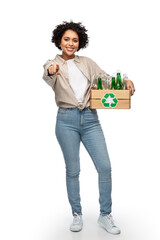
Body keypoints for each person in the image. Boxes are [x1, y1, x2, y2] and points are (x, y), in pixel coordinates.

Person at [42, 21, 135, 235]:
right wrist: (51, 70)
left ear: (80, 42)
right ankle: (77, 214)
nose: (70, 43)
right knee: (73, 170)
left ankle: (105, 214)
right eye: (66, 39)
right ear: (59, 41)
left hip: (91, 119)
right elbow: (47, 73)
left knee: (105, 167)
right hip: (66, 121)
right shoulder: (52, 63)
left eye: (75, 40)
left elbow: (107, 79)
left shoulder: (87, 62)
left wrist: (126, 81)